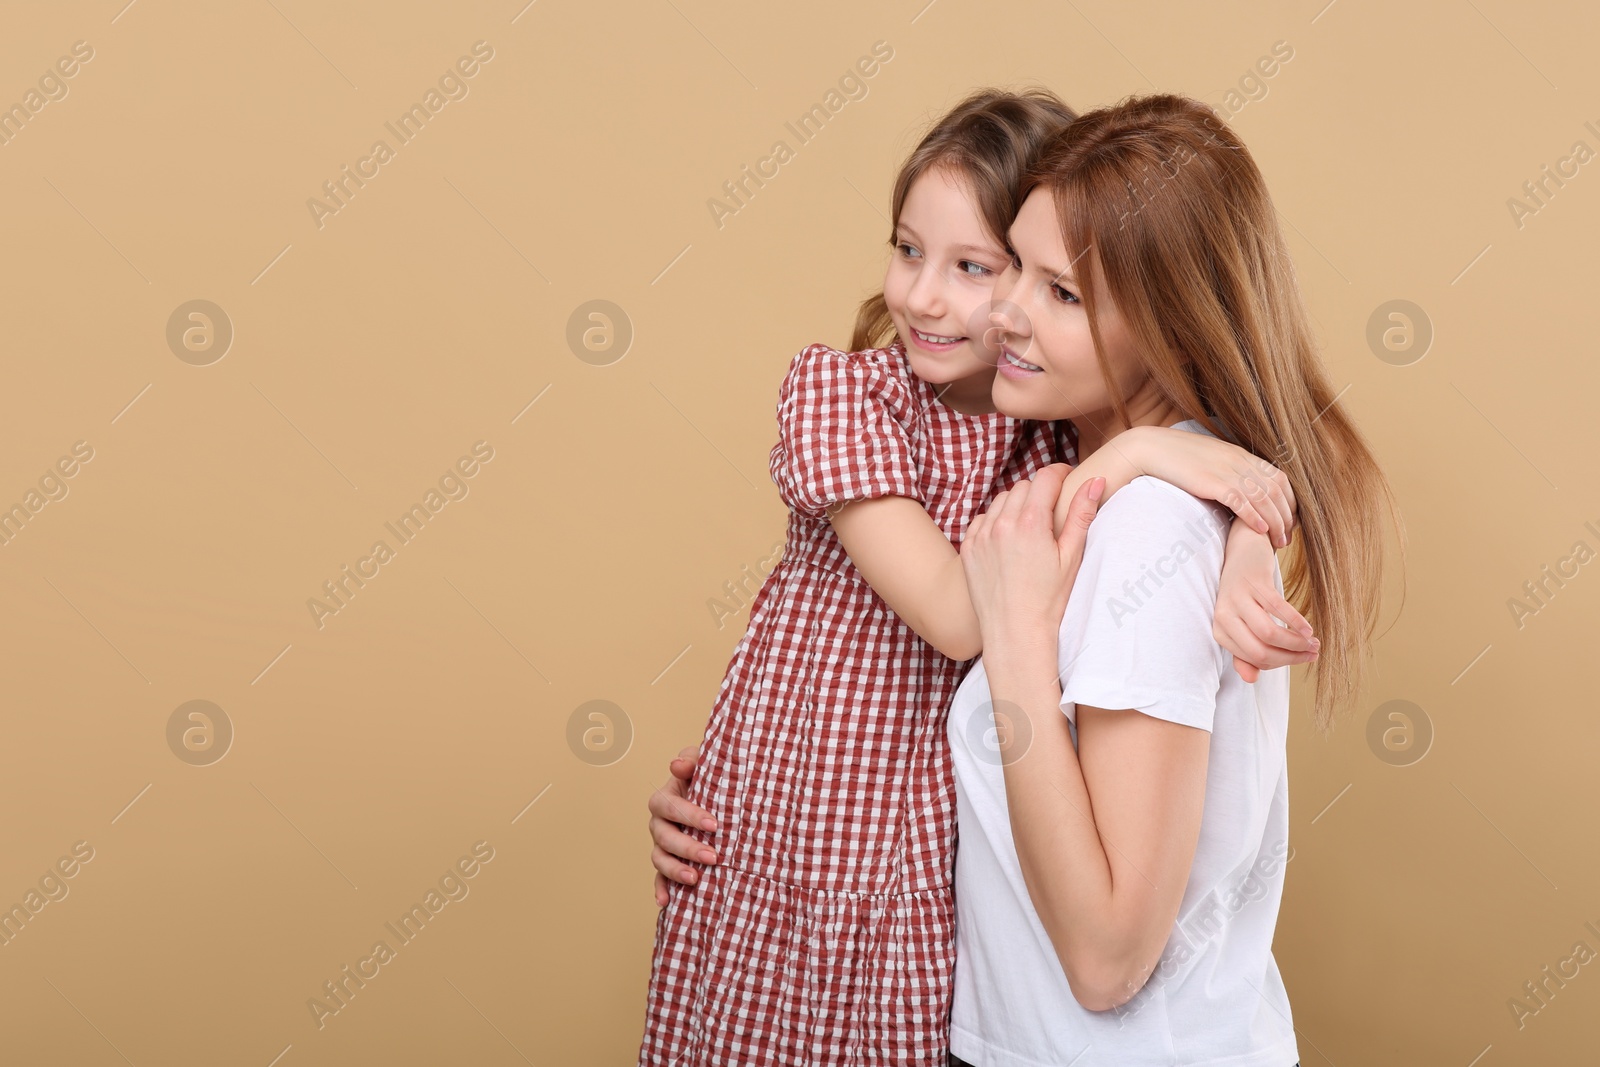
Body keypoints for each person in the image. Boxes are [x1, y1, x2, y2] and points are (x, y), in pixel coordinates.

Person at [639, 89, 1316, 1066]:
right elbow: (975, 605)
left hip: (942, 949)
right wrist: (1155, 464)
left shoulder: (1076, 474)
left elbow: (1104, 949)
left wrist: (1193, 490)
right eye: (908, 250)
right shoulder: (992, 430)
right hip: (816, 873)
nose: (987, 307)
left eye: (1040, 285)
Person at [946, 93, 1396, 1065]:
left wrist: (1016, 643)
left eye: (1062, 294)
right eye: (1013, 263)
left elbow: (1108, 955)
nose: (1005, 312)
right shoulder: (1132, 485)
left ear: (1172, 333)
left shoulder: (1155, 534)